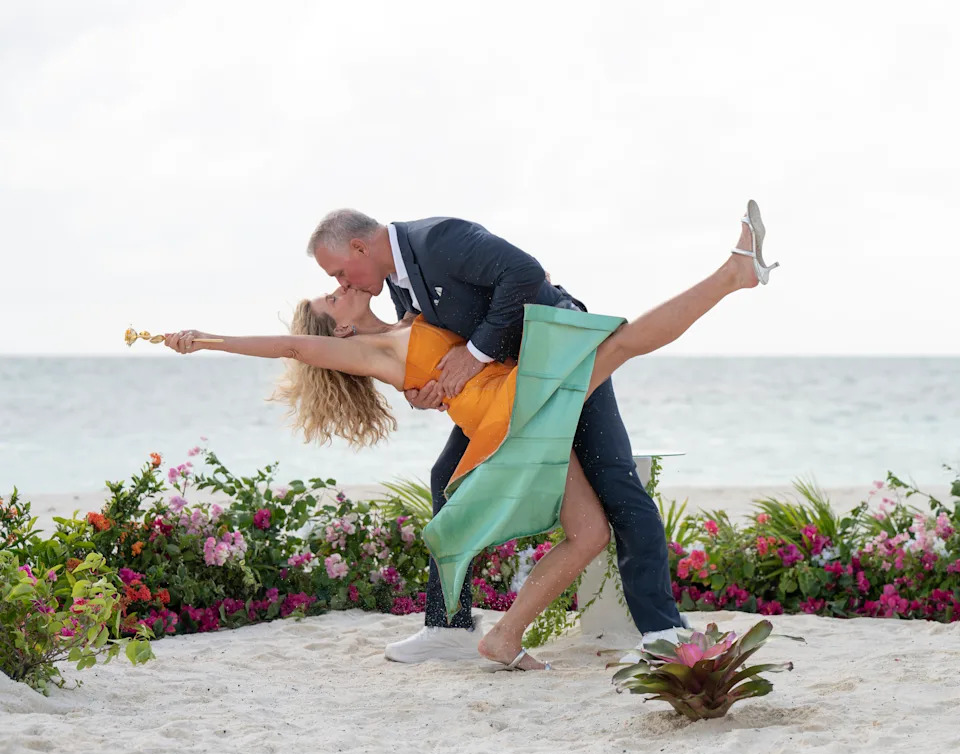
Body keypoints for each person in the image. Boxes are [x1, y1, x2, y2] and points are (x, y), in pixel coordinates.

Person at [165, 201, 778, 670]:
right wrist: (208, 339)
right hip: (513, 408)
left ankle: (504, 636)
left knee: (588, 531)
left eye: (338, 278)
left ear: (358, 246)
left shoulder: (405, 305)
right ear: (338, 334)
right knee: (620, 342)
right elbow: (294, 344)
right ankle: (733, 274)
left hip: (511, 407)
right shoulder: (369, 347)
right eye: (333, 294)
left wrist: (442, 376)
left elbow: (488, 305)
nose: (342, 288)